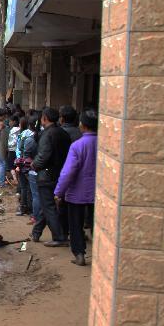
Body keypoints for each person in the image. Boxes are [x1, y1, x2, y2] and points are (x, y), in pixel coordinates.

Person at [55, 110, 98, 266]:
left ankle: (79, 254)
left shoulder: (77, 146)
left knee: (76, 225)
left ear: (83, 125)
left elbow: (68, 172)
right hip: (98, 194)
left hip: (77, 194)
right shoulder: (104, 144)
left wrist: (59, 192)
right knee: (97, 225)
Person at [31, 107, 72, 246]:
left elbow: (43, 156)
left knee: (48, 206)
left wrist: (34, 165)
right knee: (47, 205)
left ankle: (59, 237)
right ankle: (36, 232)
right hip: (60, 173)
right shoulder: (63, 133)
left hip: (46, 175)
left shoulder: (47, 134)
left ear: (45, 118)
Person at [24, 116, 42, 223]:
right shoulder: (46, 137)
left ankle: (35, 216)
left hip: (33, 171)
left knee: (35, 195)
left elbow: (26, 156)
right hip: (46, 171)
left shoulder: (29, 140)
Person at [14, 116, 32, 215]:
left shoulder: (22, 135)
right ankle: (30, 207)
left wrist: (18, 164)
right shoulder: (33, 134)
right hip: (33, 163)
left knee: (23, 186)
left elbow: (19, 150)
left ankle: (23, 207)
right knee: (30, 187)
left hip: (23, 163)